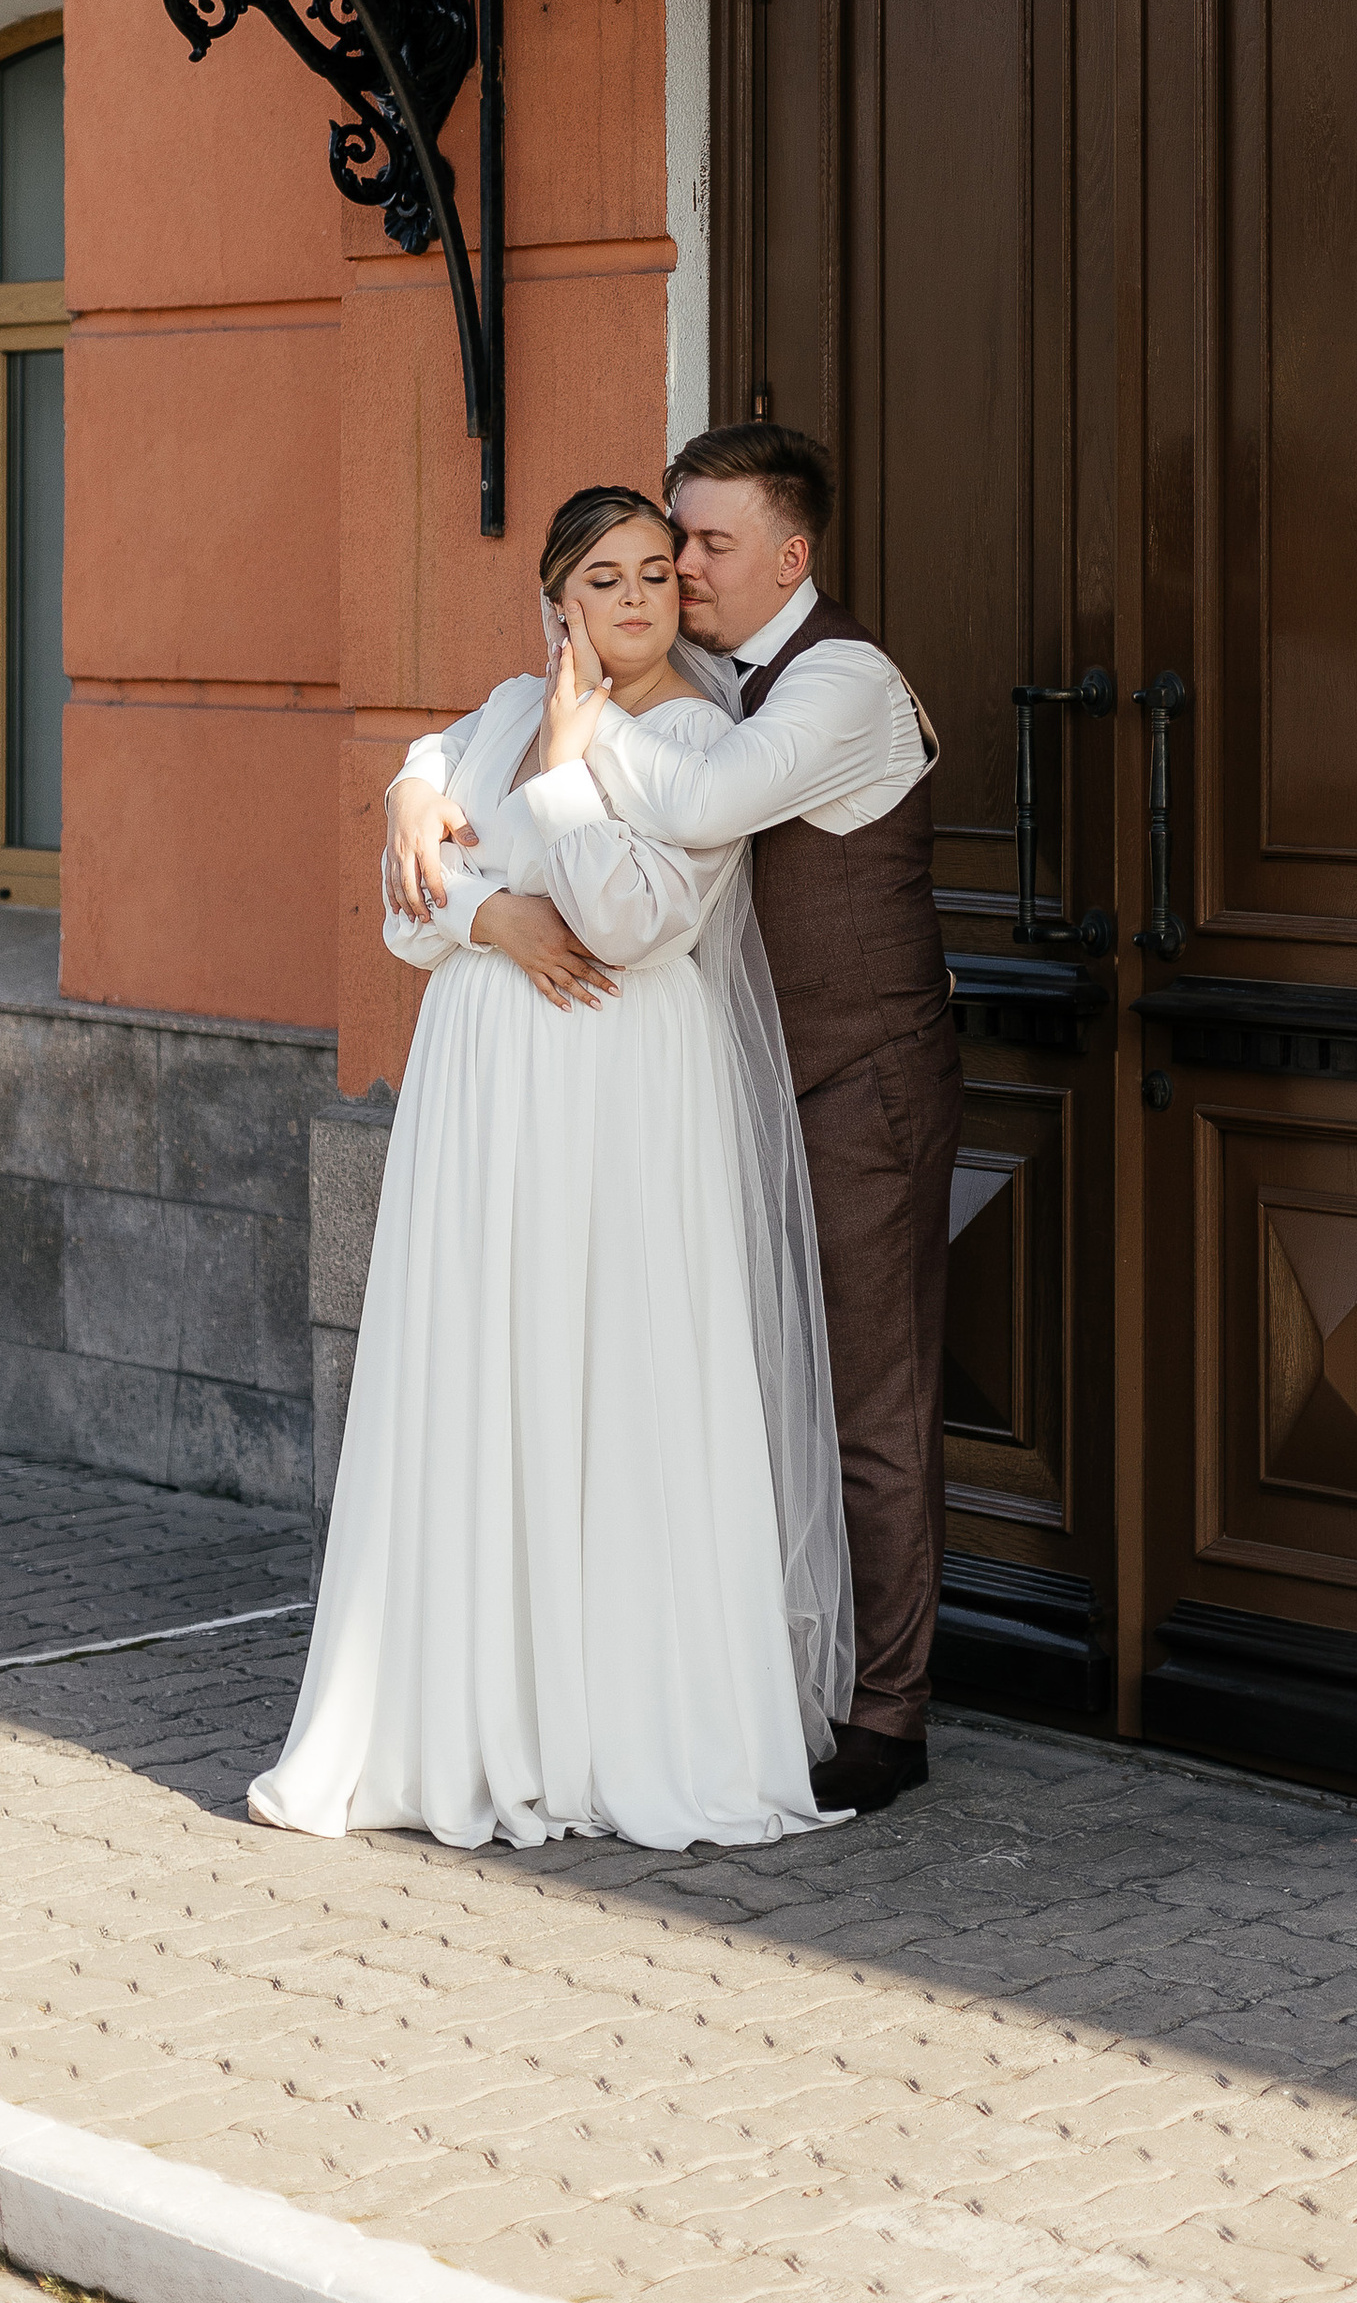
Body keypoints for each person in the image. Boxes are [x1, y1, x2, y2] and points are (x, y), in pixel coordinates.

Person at [256, 484, 851, 1854]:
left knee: (623, 1375)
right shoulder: (492, 720)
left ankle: (622, 1718)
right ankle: (471, 1710)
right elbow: (412, 926)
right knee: (491, 1367)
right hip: (485, 1091)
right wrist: (494, 910)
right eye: (604, 577)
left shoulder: (699, 737)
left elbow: (642, 922)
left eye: (658, 573)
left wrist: (575, 782)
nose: (638, 598)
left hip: (631, 1088)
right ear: (554, 602)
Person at [387, 425, 960, 1816]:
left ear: (789, 554)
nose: (677, 574)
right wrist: (422, 781)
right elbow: (468, 746)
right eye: (650, 554)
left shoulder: (842, 683)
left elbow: (699, 804)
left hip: (858, 1075)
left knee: (869, 1402)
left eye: (699, 545)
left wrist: (571, 754)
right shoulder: (686, 677)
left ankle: (885, 1709)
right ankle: (727, 1674)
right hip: (702, 1097)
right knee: (727, 1381)